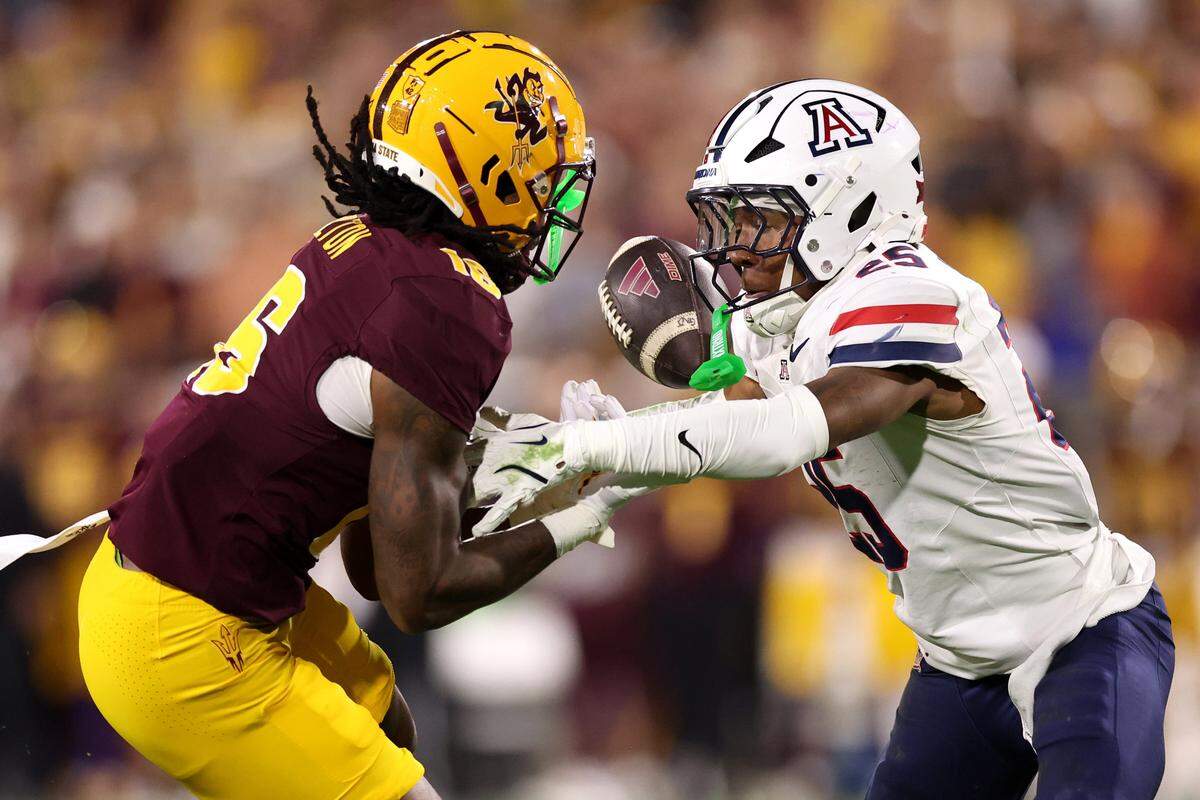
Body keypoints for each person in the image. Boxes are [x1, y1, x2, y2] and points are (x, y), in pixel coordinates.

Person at [469, 80, 1175, 799]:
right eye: (731, 217)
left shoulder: (910, 292)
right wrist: (601, 462)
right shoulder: (782, 319)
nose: (735, 246)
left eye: (760, 217)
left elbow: (785, 430)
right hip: (959, 663)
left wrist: (598, 449)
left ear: (852, 206)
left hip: (1083, 632)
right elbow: (723, 422)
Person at [65, 30, 623, 800]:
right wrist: (580, 517)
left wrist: (513, 477)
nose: (554, 202)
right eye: (543, 176)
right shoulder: (448, 305)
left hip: (176, 586)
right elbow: (418, 592)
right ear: (489, 172)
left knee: (385, 722)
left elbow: (375, 551)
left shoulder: (367, 245)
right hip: (185, 630)